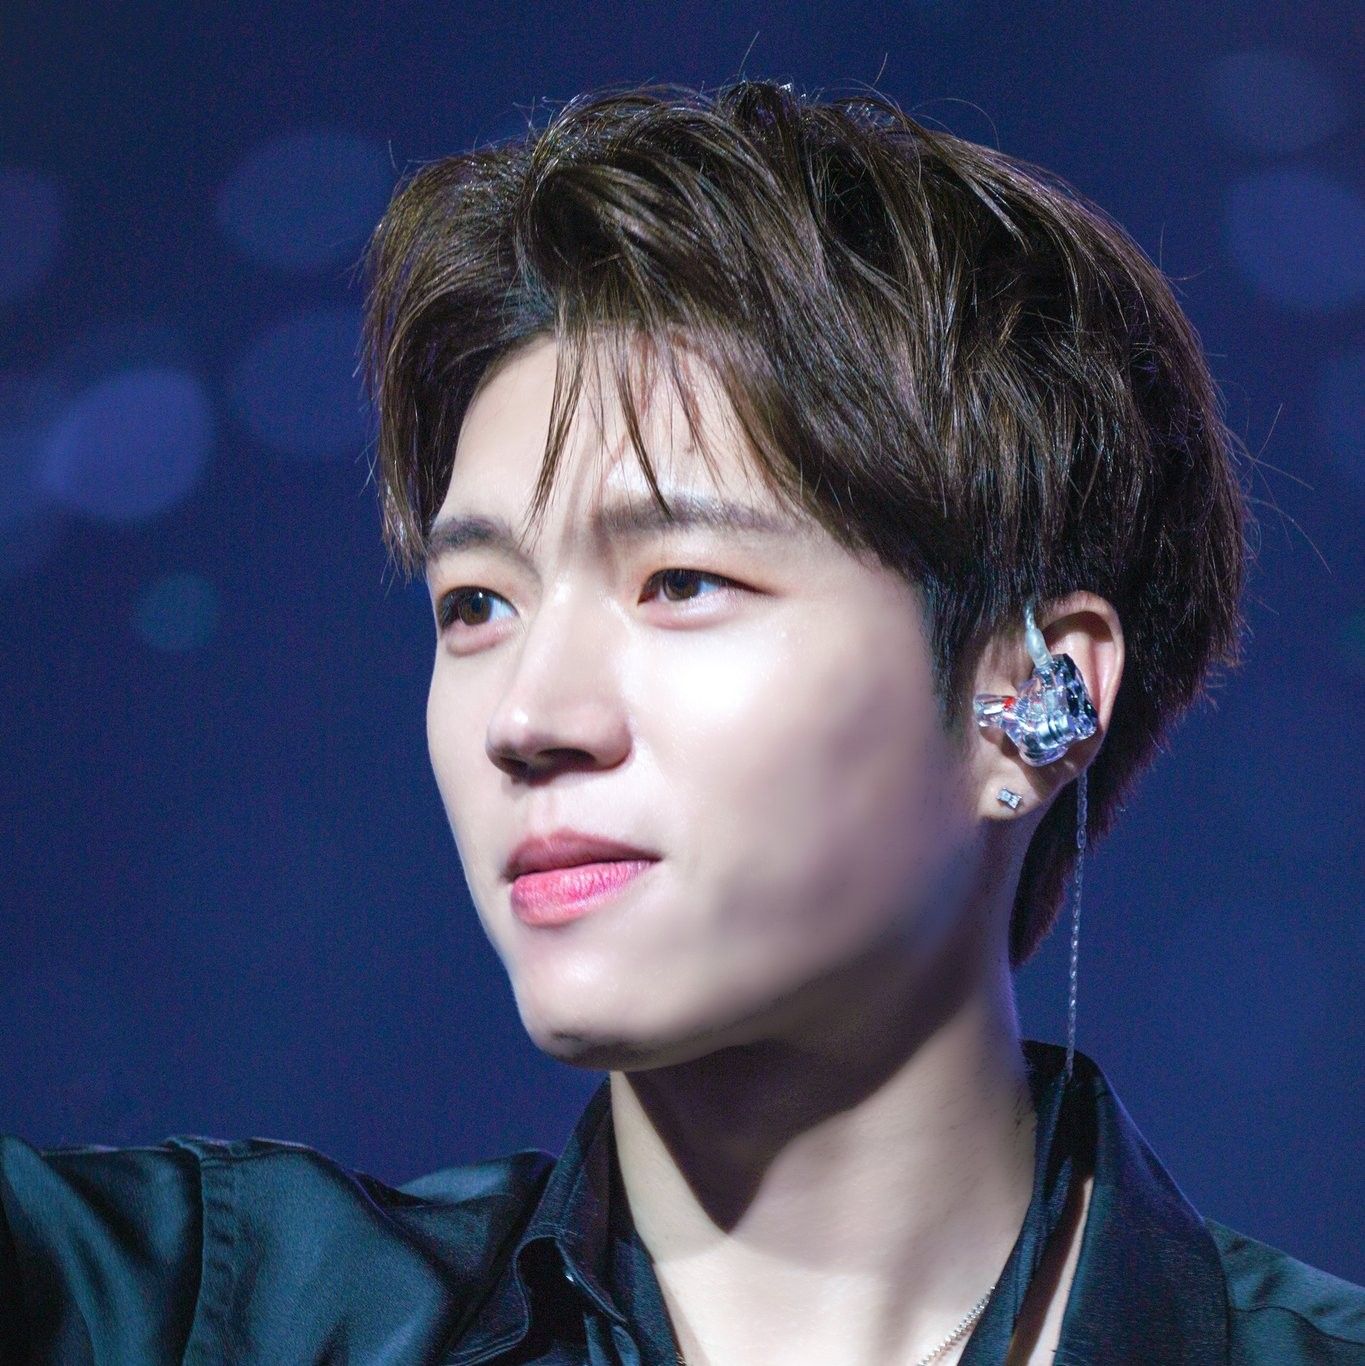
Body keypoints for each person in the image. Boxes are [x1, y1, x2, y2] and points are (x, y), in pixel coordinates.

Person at [3, 77, 1362, 1365]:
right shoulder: (199, 1316)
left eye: (681, 582)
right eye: (476, 604)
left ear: (1031, 702)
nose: (527, 717)